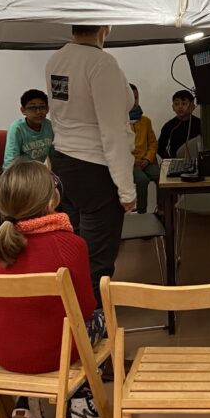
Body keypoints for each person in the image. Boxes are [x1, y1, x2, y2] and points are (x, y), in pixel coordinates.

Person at [0, 159, 106, 418]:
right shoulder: (70, 245)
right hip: (55, 355)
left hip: (6, 351)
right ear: (52, 200)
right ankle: (80, 403)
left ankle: (26, 401)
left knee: (34, 326)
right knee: (100, 321)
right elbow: (85, 309)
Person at [46, 25, 136, 304]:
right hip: (95, 169)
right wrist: (127, 190)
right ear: (106, 26)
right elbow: (113, 132)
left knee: (74, 251)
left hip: (63, 165)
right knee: (97, 259)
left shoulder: (56, 59)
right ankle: (96, 325)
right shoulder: (101, 63)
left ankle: (75, 315)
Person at [129, 83, 160, 214]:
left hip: (145, 161)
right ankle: (142, 213)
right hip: (129, 164)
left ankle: (162, 210)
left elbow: (153, 144)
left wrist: (147, 159)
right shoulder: (118, 122)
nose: (133, 101)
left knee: (162, 177)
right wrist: (133, 161)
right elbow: (116, 149)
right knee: (142, 180)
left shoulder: (146, 121)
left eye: (136, 98)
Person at [3, 89, 54, 168]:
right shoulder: (17, 128)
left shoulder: (49, 126)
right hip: (20, 172)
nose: (38, 112)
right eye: (32, 108)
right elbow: (10, 163)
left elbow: (54, 156)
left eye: (42, 107)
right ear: (23, 110)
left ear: (47, 109)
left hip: (38, 171)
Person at [158, 89, 201, 159]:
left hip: (195, 160)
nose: (180, 107)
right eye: (177, 104)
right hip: (175, 161)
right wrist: (169, 160)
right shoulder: (169, 126)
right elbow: (160, 148)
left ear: (192, 106)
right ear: (173, 107)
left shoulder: (199, 124)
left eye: (184, 104)